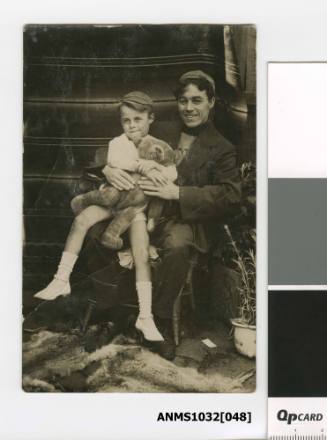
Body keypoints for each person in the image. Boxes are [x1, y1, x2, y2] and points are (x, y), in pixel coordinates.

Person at [84, 70, 242, 360]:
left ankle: (160, 320)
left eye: (197, 100)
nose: (189, 108)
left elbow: (231, 196)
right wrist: (107, 168)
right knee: (96, 232)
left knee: (178, 246)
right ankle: (110, 313)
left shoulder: (222, 148)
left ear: (212, 102)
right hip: (137, 209)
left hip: (184, 220)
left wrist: (177, 194)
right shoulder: (161, 128)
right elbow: (111, 147)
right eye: (183, 101)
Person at [34, 91, 178, 343]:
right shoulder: (117, 143)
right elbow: (114, 160)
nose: (132, 125)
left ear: (150, 118)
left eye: (138, 119)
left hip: (136, 209)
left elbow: (171, 172)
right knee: (81, 220)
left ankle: (145, 316)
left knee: (141, 252)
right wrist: (137, 166)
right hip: (113, 200)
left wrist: (158, 172)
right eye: (126, 120)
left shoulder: (158, 146)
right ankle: (61, 279)